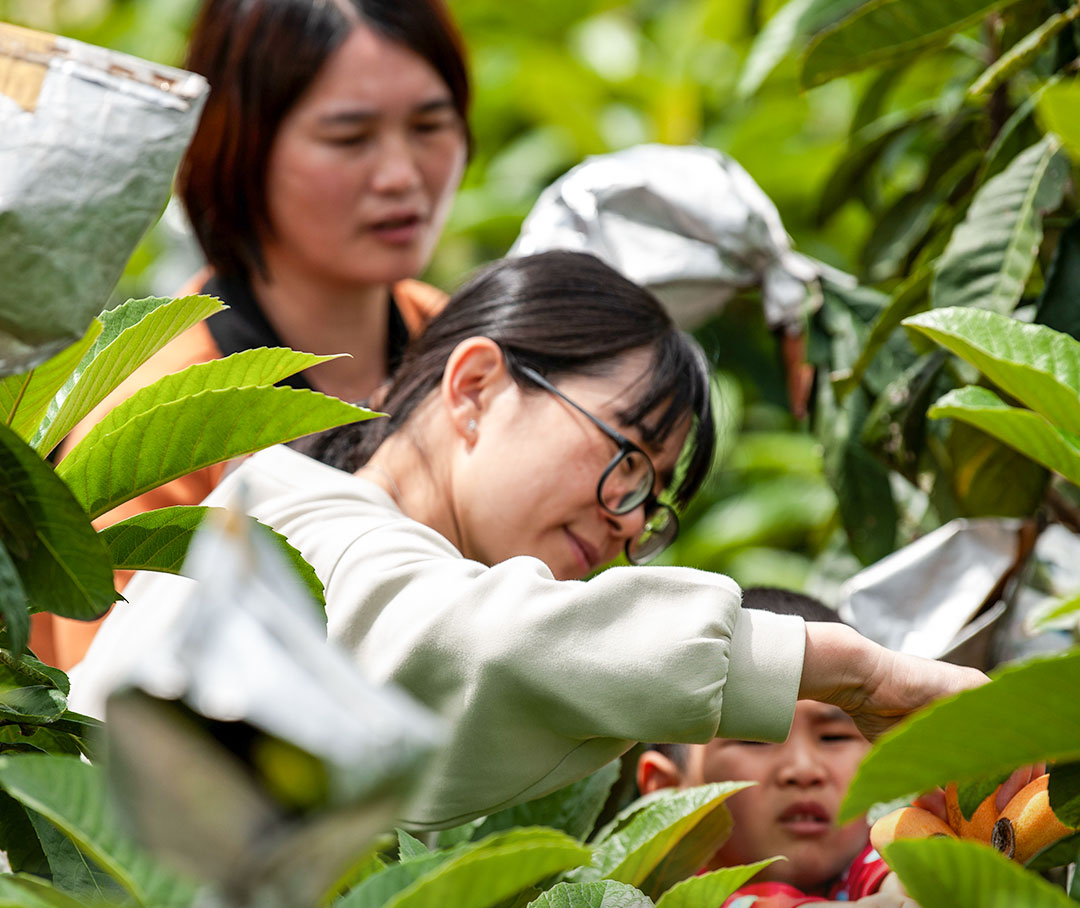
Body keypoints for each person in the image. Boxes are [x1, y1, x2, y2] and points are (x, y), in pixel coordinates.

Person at [72, 254, 986, 830]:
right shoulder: (305, 521)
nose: (629, 520)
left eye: (652, 500)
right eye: (626, 457)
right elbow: (491, 637)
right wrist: (859, 673)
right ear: (475, 387)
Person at [37, 0, 470, 671]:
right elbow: (105, 694)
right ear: (241, 147)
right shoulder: (160, 409)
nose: (401, 176)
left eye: (430, 125)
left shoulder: (466, 350)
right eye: (349, 138)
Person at [637, 586, 950, 908]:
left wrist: (909, 889)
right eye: (754, 741)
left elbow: (883, 874)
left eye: (834, 737)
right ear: (667, 790)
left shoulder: (872, 865)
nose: (803, 769)